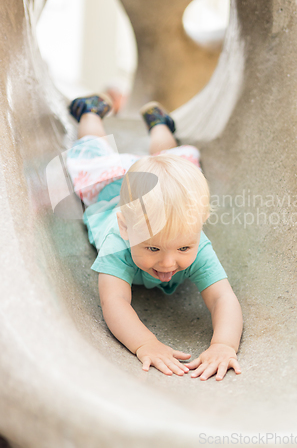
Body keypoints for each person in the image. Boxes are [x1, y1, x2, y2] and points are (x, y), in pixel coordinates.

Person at [66, 95, 243, 381]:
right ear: (125, 228)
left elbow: (223, 297)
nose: (168, 262)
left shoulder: (194, 240)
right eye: (152, 247)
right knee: (91, 152)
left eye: (184, 247)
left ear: (198, 227)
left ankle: (160, 124)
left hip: (154, 189)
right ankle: (90, 113)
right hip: (110, 186)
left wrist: (223, 345)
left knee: (174, 163)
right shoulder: (118, 242)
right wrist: (146, 343)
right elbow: (114, 301)